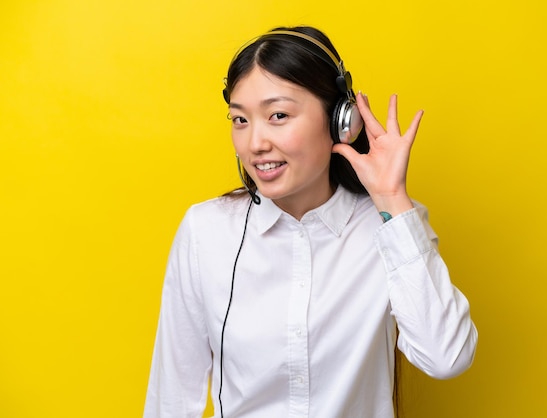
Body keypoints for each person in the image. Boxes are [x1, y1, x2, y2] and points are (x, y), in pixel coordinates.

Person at [143, 25, 477, 418]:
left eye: (278, 115)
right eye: (240, 120)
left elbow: (446, 357)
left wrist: (392, 200)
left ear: (340, 120)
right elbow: (171, 397)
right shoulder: (206, 231)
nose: (255, 143)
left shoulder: (393, 226)